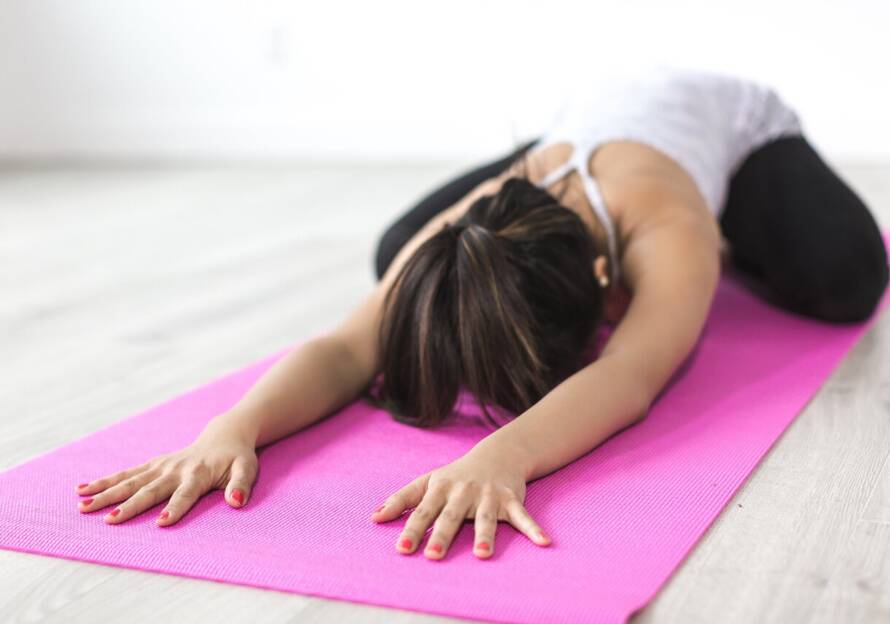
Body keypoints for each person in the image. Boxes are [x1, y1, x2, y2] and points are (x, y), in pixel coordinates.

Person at [74, 66, 888, 561]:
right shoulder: (475, 220)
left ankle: (743, 233)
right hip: (578, 133)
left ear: (611, 287)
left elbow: (632, 375)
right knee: (404, 254)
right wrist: (232, 428)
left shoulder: (668, 229)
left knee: (851, 278)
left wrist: (503, 456)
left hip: (732, 131)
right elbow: (344, 349)